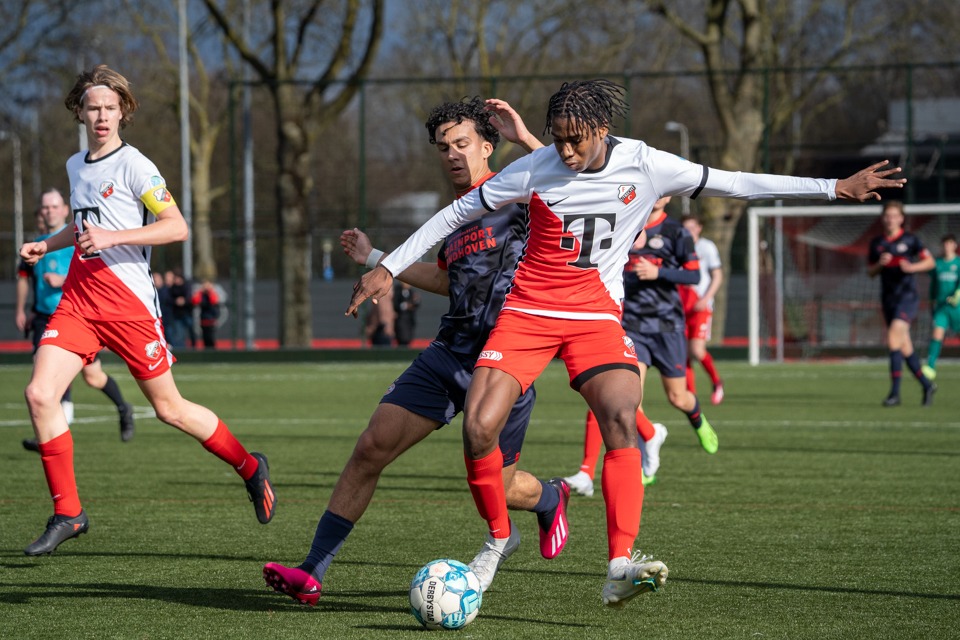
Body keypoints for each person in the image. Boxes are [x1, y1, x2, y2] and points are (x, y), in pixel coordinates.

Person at [346, 79, 906, 608]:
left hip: (594, 316)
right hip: (529, 312)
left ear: (602, 127)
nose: (564, 152)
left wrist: (833, 186)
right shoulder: (537, 166)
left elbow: (736, 181)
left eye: (574, 140)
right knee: (478, 427)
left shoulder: (648, 163)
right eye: (557, 139)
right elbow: (452, 215)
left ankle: (618, 565)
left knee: (621, 415)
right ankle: (498, 541)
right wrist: (387, 266)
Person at [263, 97, 570, 606]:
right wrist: (377, 258)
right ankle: (312, 570)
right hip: (450, 352)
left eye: (463, 144)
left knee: (500, 483)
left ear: (488, 146)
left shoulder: (519, 195)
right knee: (370, 447)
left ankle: (551, 497)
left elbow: (569, 181)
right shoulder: (451, 216)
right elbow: (447, 280)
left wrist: (527, 141)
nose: (452, 154)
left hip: (507, 360)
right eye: (444, 147)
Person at [17, 65, 276, 557]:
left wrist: (114, 237)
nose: (101, 116)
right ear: (80, 111)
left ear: (122, 113)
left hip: (130, 306)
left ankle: (249, 466)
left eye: (110, 108)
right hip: (79, 300)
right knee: (39, 393)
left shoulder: (136, 165)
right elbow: (81, 226)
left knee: (169, 409)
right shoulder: (76, 166)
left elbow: (176, 226)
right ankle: (69, 512)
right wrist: (45, 246)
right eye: (93, 107)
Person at [563, 196, 716, 495]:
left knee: (678, 398)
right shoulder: (624, 223)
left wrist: (659, 273)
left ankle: (696, 419)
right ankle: (609, 467)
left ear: (667, 195)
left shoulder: (676, 232)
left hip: (668, 327)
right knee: (622, 400)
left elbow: (694, 274)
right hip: (631, 326)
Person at [17, 190, 135, 451]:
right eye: (45, 207)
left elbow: (99, 271)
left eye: (54, 206)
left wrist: (63, 281)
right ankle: (50, 436)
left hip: (77, 316)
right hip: (45, 318)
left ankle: (123, 407)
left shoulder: (80, 239)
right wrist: (22, 310)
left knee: (92, 377)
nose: (49, 211)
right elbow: (25, 278)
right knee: (45, 373)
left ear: (65, 209)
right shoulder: (37, 243)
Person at [867, 201, 936, 406]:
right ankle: (927, 385)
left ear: (901, 218)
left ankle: (895, 394)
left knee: (892, 338)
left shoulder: (910, 240)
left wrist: (912, 267)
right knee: (904, 346)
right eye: (887, 216)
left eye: (894, 215)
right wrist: (880, 264)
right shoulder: (877, 243)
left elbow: (930, 262)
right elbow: (870, 272)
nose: (891, 219)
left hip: (907, 298)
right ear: (883, 218)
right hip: (888, 299)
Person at [680, 213, 724, 404]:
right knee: (684, 353)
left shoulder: (706, 247)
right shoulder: (678, 247)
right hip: (681, 307)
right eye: (685, 228)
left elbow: (717, 275)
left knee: (697, 350)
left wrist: (706, 298)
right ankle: (692, 395)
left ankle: (717, 382)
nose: (688, 232)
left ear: (699, 228)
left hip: (700, 306)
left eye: (692, 227)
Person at [922, 234, 960, 380]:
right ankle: (930, 367)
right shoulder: (936, 263)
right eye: (945, 243)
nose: (947, 246)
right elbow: (933, 284)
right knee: (937, 334)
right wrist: (931, 300)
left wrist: (958, 294)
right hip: (941, 307)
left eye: (950, 243)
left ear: (955, 245)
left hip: (957, 307)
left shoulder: (958, 263)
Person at [168, 268, 194, 348]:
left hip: (187, 314)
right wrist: (176, 301)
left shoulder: (186, 285)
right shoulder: (172, 288)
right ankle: (183, 350)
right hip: (177, 315)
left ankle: (194, 348)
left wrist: (184, 301)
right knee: (179, 334)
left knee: (192, 332)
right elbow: (169, 299)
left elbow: (189, 297)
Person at [191, 280, 221, 349]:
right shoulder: (202, 294)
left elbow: (213, 300)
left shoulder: (212, 293)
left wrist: (210, 291)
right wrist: (200, 291)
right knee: (205, 338)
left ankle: (213, 353)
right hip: (204, 319)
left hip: (211, 320)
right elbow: (195, 301)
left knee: (211, 338)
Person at [393, 281, 420, 347]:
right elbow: (395, 304)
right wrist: (405, 306)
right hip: (401, 320)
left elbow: (416, 304)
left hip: (409, 320)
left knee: (408, 339)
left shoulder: (411, 292)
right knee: (402, 338)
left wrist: (416, 301)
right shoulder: (397, 291)